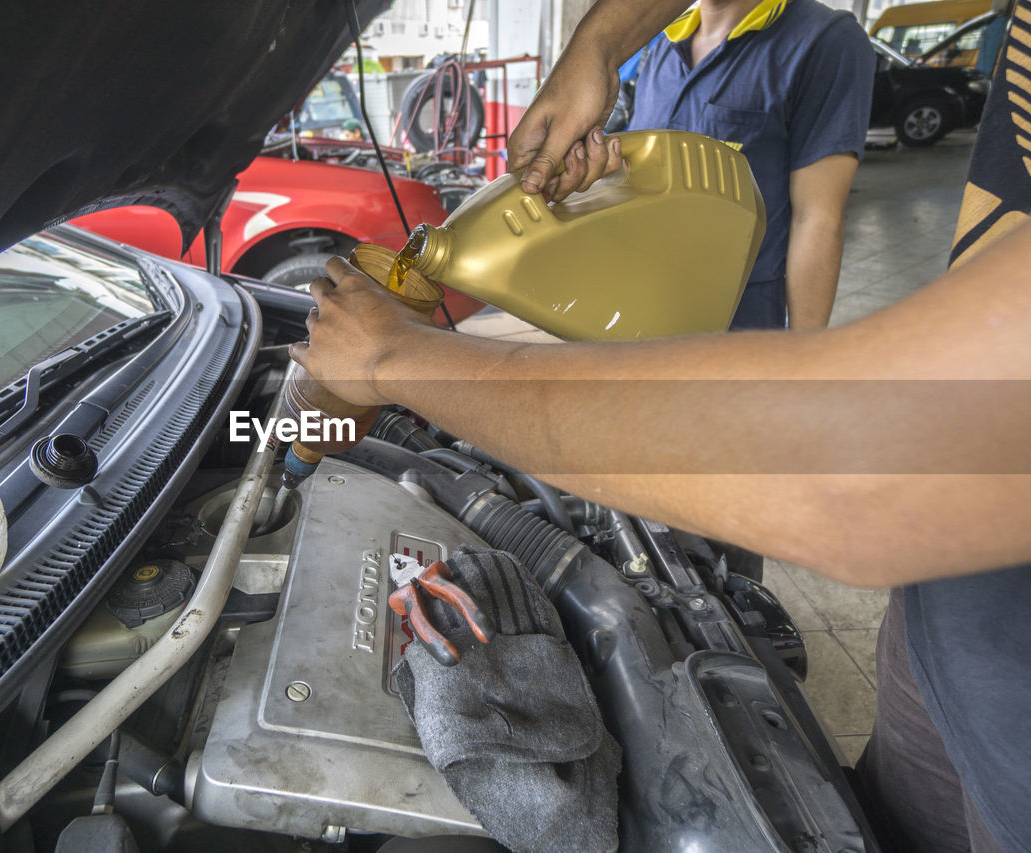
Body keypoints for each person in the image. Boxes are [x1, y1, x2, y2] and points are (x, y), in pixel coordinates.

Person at [292, 0, 1031, 848]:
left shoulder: (820, 41)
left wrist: (400, 362)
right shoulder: (659, 51)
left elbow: (869, 472)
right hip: (950, 609)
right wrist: (602, 45)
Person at [626, 0, 874, 330]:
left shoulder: (824, 41)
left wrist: (804, 355)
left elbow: (817, 218)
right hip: (638, 305)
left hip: (737, 324)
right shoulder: (663, 44)